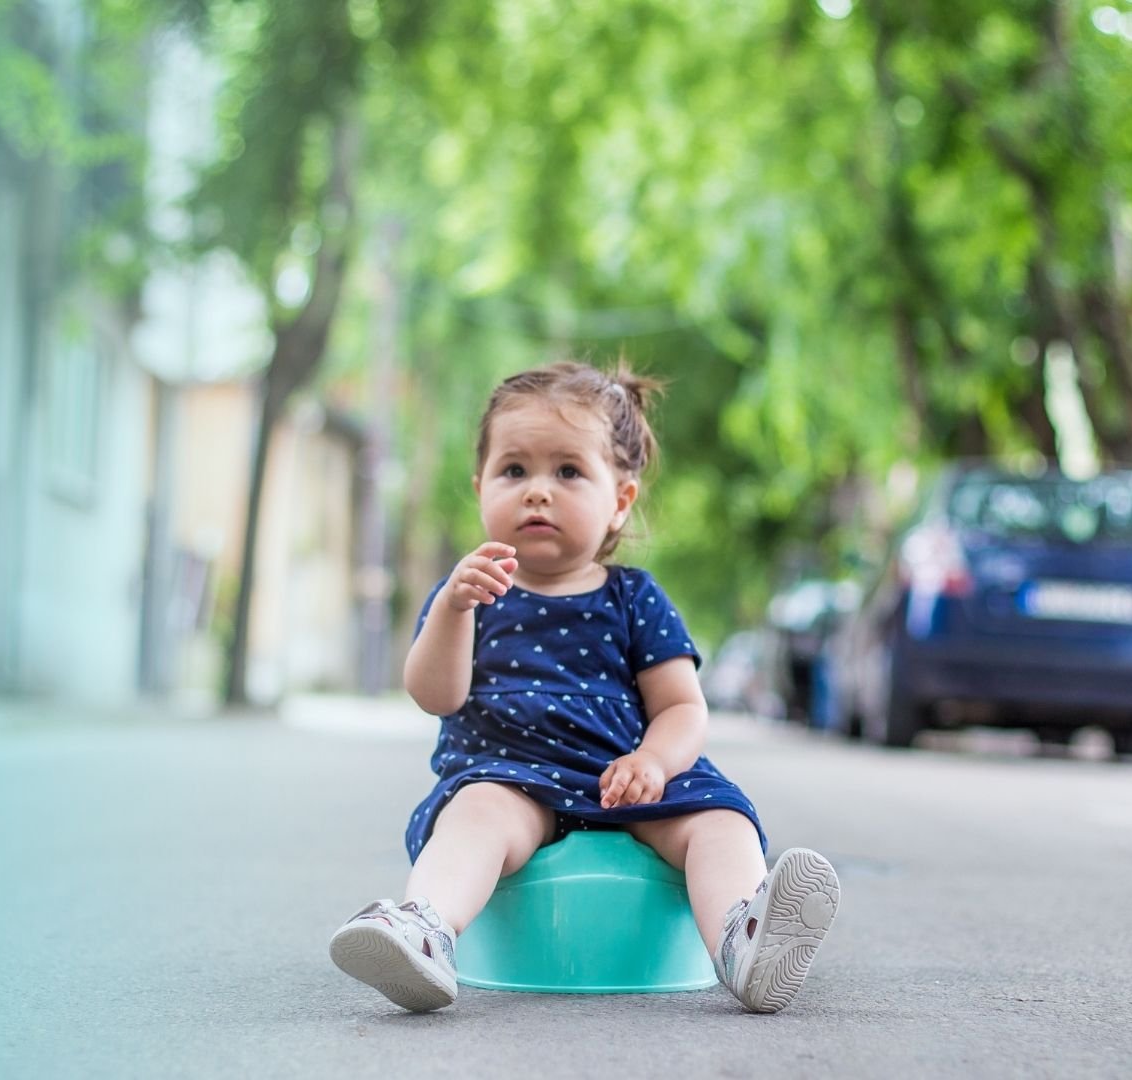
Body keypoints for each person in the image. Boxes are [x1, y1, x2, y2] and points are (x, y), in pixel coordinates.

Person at [328, 361, 841, 1014]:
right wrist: (453, 611)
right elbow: (436, 695)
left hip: (626, 774)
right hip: (510, 772)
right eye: (514, 470)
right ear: (480, 483)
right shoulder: (473, 590)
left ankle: (744, 939)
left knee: (720, 819)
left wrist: (654, 762)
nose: (538, 491)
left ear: (620, 498)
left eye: (568, 471)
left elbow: (682, 705)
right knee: (475, 818)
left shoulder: (635, 598)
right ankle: (425, 929)